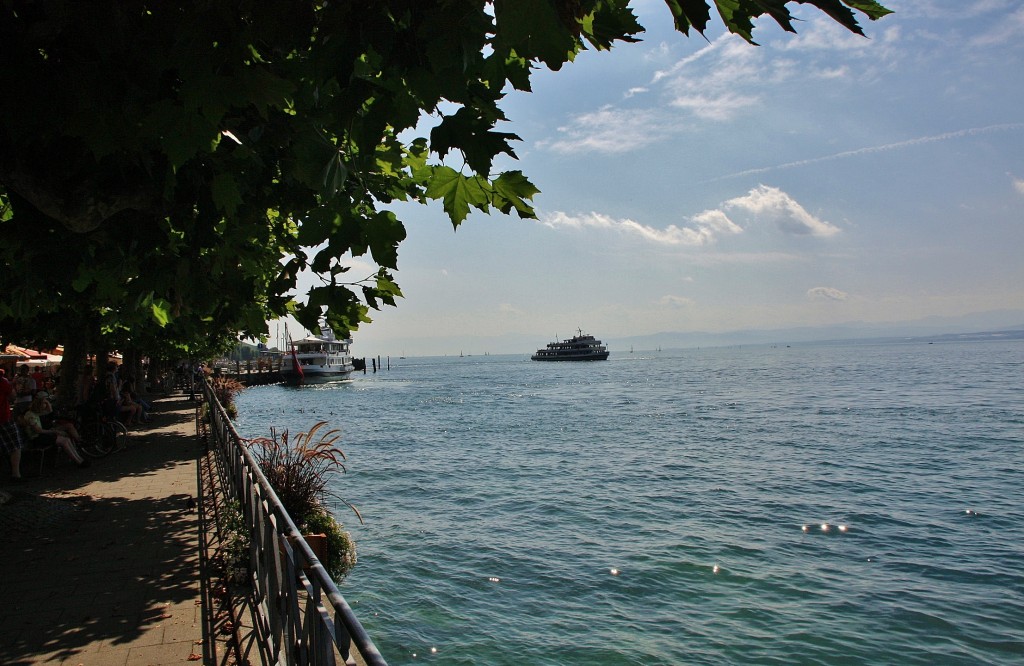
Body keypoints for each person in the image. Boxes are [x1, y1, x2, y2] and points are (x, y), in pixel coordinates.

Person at [20, 394, 89, 468]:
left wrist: (47, 403)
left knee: (66, 439)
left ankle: (79, 458)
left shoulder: (35, 413)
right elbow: (38, 430)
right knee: (64, 441)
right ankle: (78, 461)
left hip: (41, 435)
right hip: (37, 438)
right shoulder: (30, 415)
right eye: (44, 403)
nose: (46, 405)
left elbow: (50, 411)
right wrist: (54, 431)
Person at [0, 369, 25, 482]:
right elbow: (12, 396)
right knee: (15, 445)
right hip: (3, 418)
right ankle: (16, 474)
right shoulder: (2, 381)